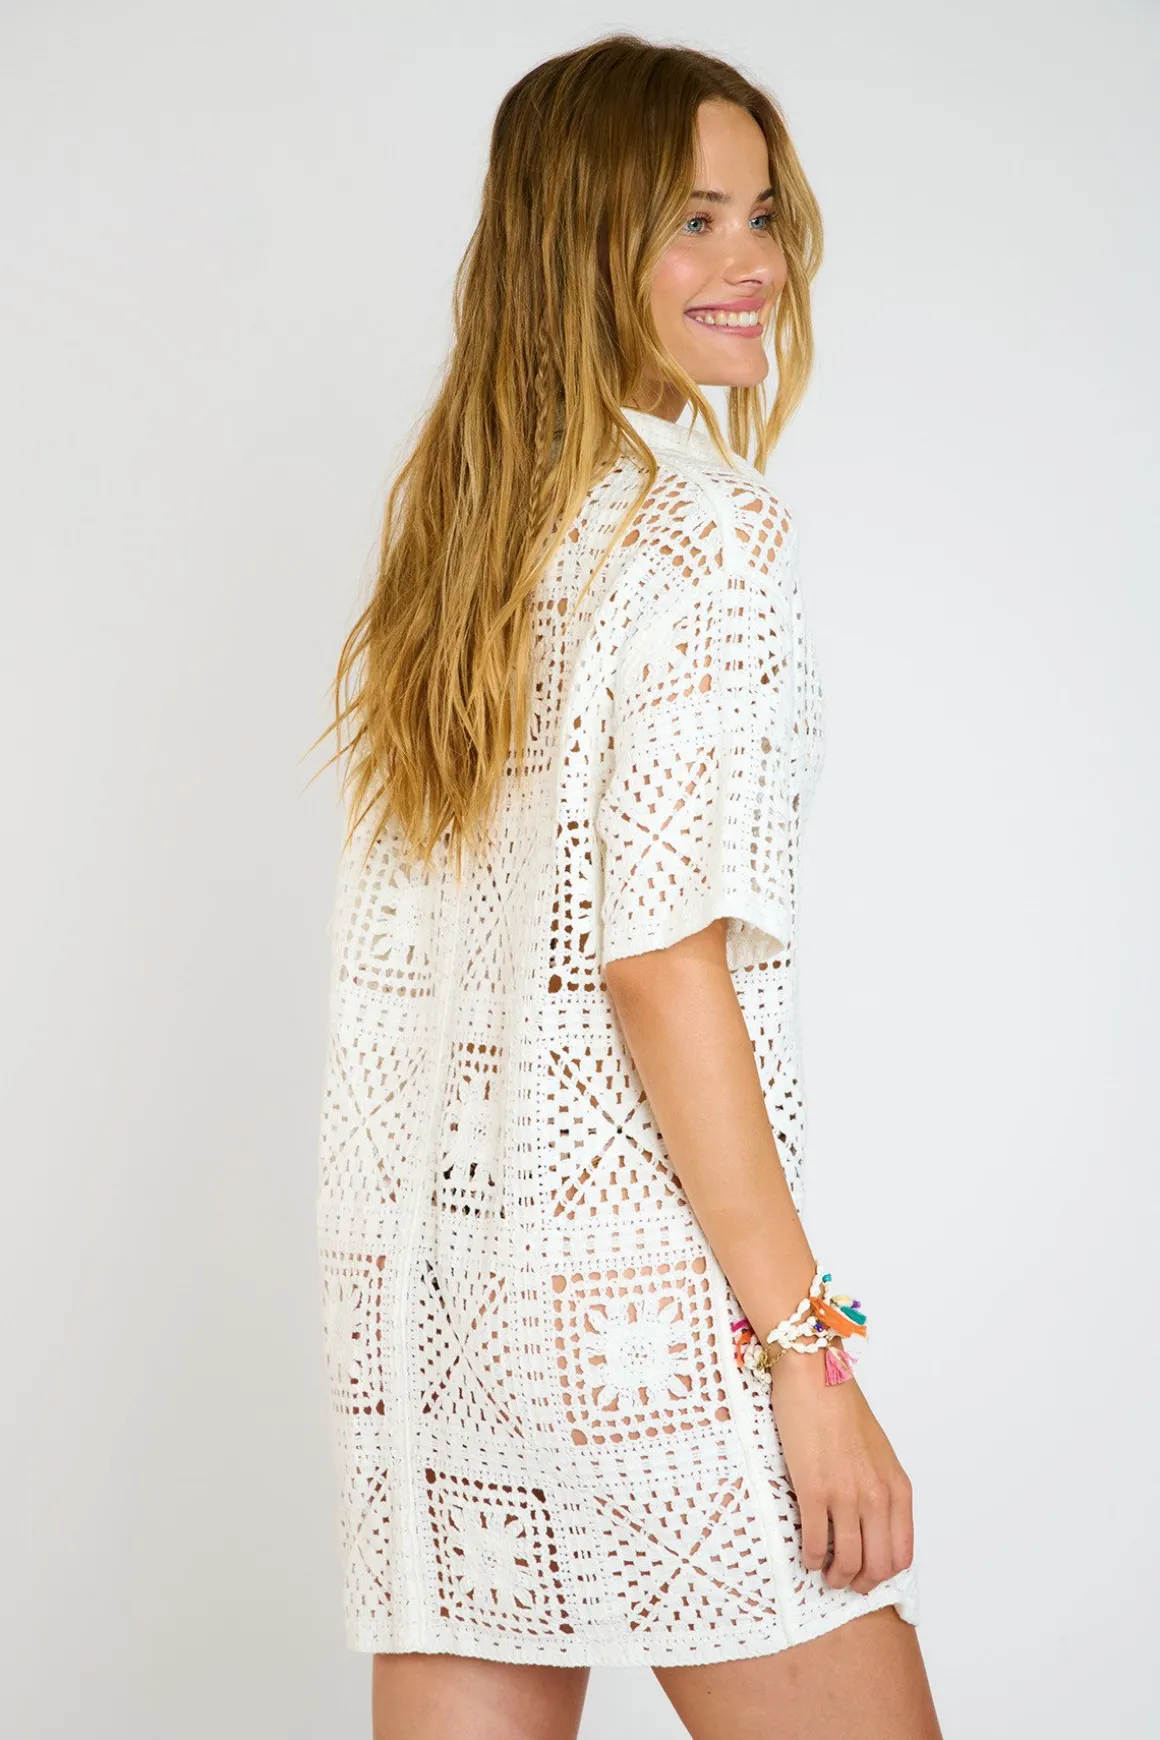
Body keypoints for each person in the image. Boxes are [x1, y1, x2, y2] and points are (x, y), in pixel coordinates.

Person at [312, 32, 943, 1740]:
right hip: (639, 1310)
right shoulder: (707, 534)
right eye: (691, 220)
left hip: (439, 1307)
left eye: (763, 215)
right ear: (579, 245)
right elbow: (659, 968)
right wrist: (809, 1350)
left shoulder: (470, 545)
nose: (752, 264)